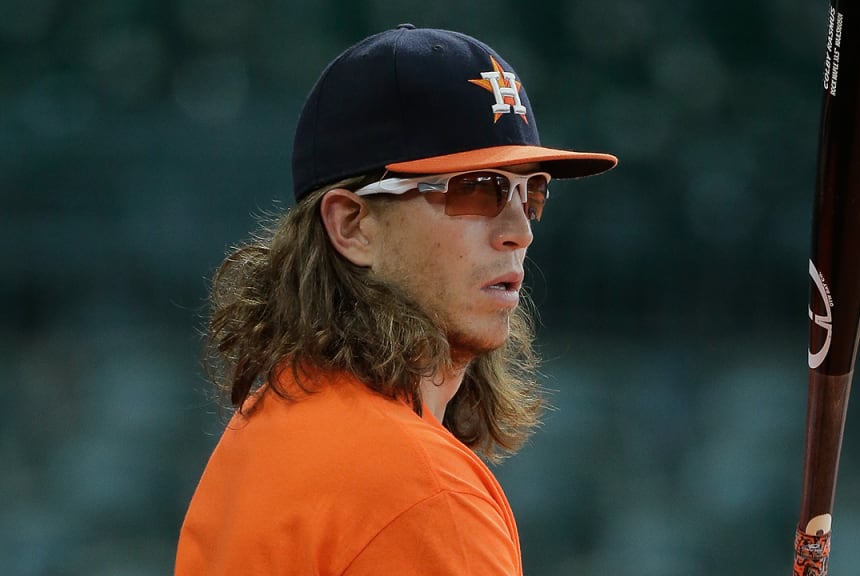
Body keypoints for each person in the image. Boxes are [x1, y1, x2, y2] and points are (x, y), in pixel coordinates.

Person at [175, 24, 616, 575]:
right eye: (478, 189)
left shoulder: (264, 427)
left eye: (533, 192)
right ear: (353, 224)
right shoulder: (423, 491)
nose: (519, 230)